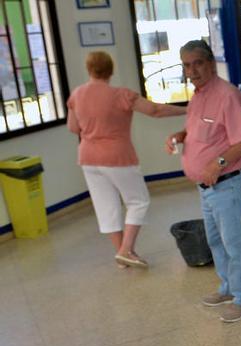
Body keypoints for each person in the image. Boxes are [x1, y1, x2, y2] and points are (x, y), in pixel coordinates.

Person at [165, 40, 241, 323]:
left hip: (227, 185)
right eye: (186, 65)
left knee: (235, 244)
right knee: (216, 241)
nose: (192, 70)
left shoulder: (226, 95)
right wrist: (182, 135)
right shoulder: (198, 95)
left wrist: (217, 164)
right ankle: (228, 288)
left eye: (198, 63)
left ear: (210, 63)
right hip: (206, 189)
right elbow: (205, 129)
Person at [66, 50, 187, 268]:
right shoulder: (121, 95)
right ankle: (125, 250)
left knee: (106, 207)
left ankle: (123, 257)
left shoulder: (77, 94)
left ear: (89, 69)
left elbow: (73, 127)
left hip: (88, 158)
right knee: (138, 201)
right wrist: (188, 109)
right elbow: (156, 111)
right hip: (117, 156)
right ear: (111, 70)